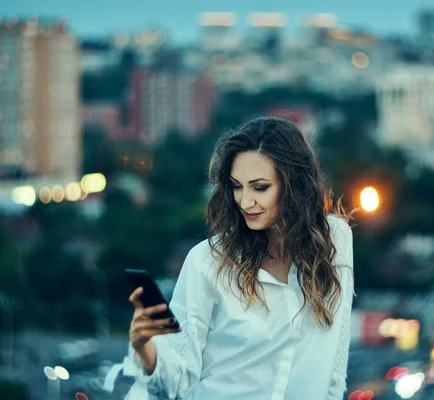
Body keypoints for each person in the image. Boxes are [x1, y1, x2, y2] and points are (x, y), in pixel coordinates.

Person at [124, 117, 354, 400]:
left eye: (259, 187)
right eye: (236, 186)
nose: (245, 202)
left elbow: (334, 365)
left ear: (294, 185)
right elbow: (178, 379)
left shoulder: (336, 241)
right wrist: (145, 348)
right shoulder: (207, 262)